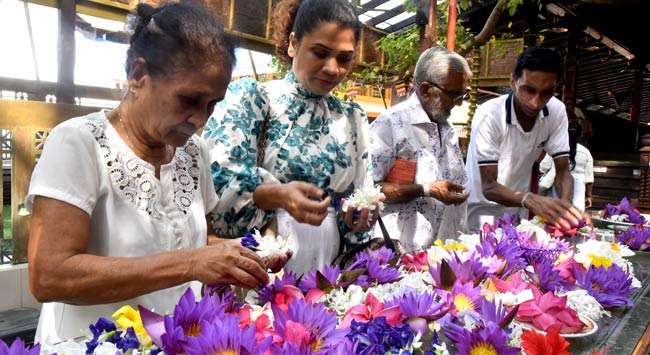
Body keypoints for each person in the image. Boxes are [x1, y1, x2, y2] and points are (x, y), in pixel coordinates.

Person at [26, 3, 288, 343]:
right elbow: (49, 275)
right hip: (88, 345)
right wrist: (192, 263)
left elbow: (189, 241)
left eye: (212, 105)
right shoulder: (79, 143)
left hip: (170, 342)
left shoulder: (194, 154)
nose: (200, 119)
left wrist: (235, 255)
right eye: (189, 99)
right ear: (138, 76)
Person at [202, 0, 379, 276]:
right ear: (294, 43)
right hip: (261, 260)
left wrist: (358, 216)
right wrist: (278, 196)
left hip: (328, 268)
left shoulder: (352, 118)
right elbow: (216, 189)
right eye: (320, 53)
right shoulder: (254, 99)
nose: (333, 68)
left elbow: (358, 196)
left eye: (344, 58)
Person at [465, 46, 586, 231]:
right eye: (528, 90)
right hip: (480, 211)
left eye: (546, 92)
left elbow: (562, 170)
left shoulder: (556, 110)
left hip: (518, 210)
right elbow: (489, 186)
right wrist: (528, 198)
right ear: (512, 82)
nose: (535, 102)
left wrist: (563, 209)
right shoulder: (489, 114)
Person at [369, 47, 470, 251]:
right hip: (399, 252)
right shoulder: (389, 124)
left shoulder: (447, 128)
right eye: (454, 95)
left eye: (463, 95)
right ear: (425, 90)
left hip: (441, 250)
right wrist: (426, 189)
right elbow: (368, 190)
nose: (459, 104)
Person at [539, 120, 594, 210]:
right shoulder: (586, 152)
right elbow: (589, 179)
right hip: (579, 188)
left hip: (558, 184)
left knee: (556, 213)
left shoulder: (557, 149)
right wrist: (588, 196)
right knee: (576, 216)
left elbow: (543, 167)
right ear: (580, 135)